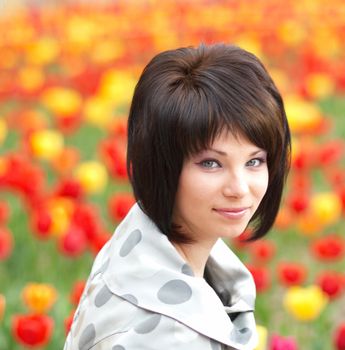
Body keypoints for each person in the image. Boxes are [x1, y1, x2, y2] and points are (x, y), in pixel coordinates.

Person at [64, 43, 291, 350]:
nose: (239, 188)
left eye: (254, 161)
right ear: (161, 164)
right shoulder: (171, 336)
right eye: (211, 163)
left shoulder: (138, 246)